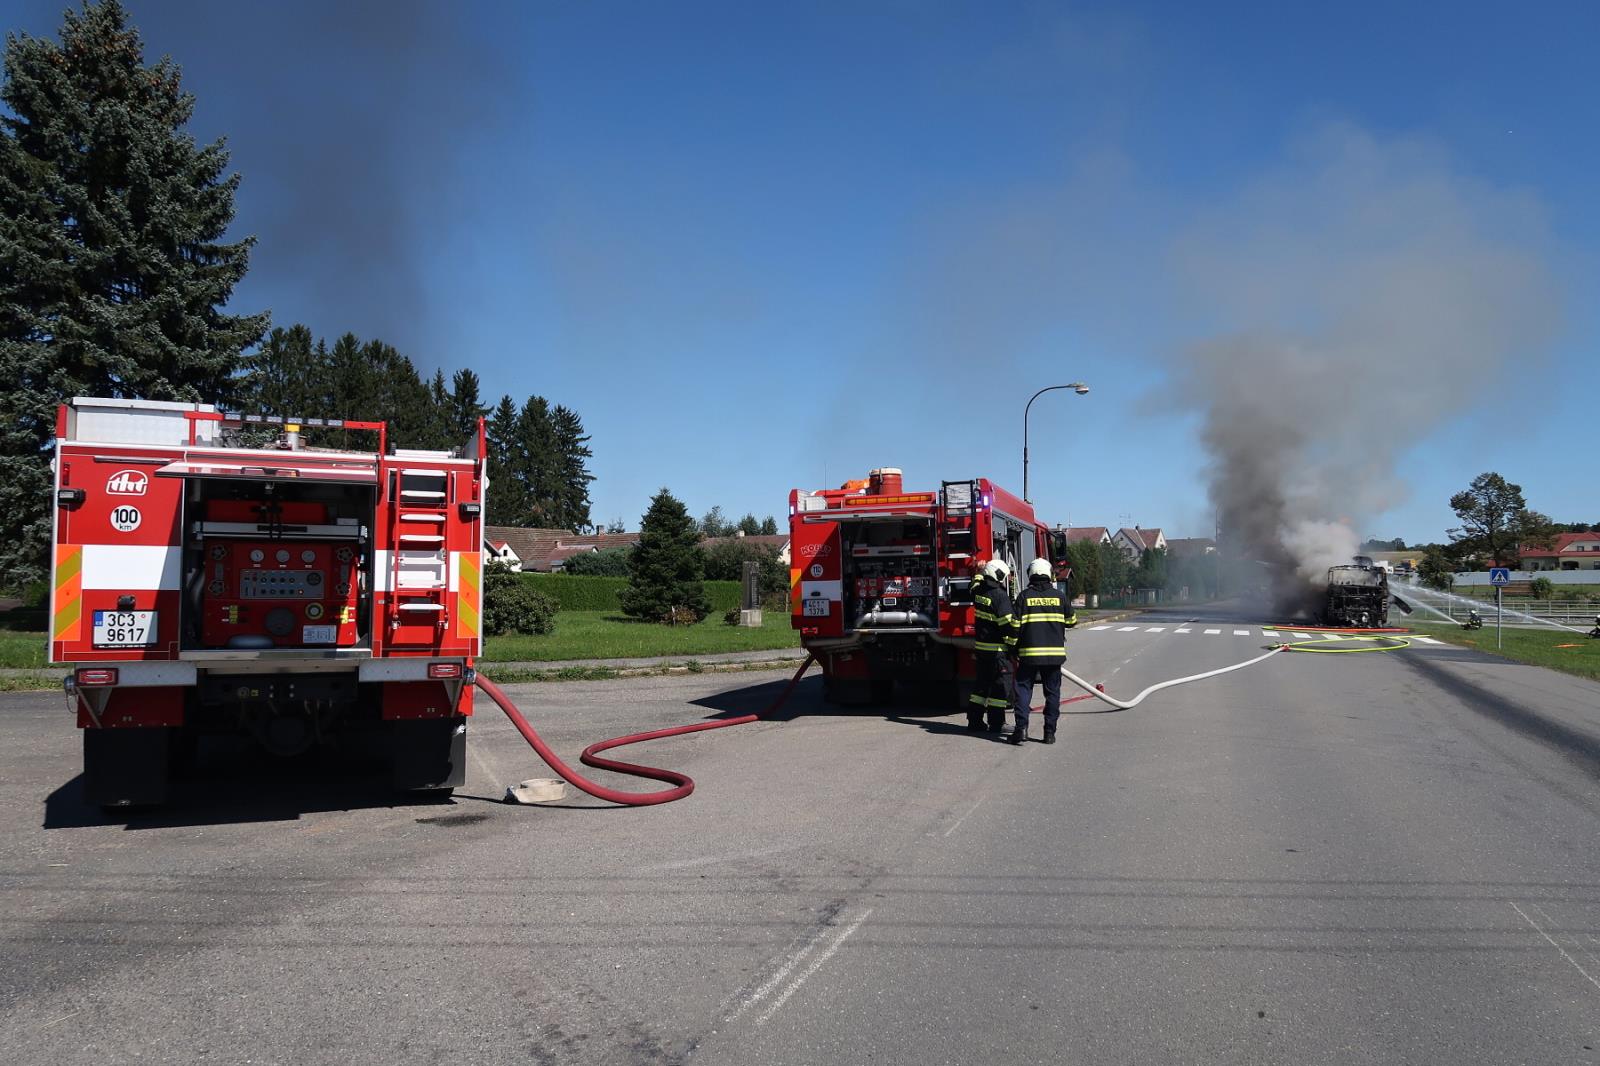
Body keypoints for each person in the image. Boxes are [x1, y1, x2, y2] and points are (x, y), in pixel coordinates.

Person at [1009, 558, 1070, 746]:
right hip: (1054, 656)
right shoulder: (1060, 597)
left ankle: (1021, 729)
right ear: (1048, 574)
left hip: (1028, 655)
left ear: (1031, 574)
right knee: (1052, 694)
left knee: (1023, 691)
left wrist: (1012, 648)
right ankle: (1049, 733)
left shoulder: (1024, 597)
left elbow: (1014, 627)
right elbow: (1072, 620)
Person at [968, 559, 1018, 733]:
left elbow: (973, 585)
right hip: (998, 651)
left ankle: (974, 721)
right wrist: (1013, 647)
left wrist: (978, 571)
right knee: (999, 688)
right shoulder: (1000, 596)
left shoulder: (978, 591)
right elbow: (1008, 626)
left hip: (982, 649)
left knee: (980, 687)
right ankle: (997, 723)